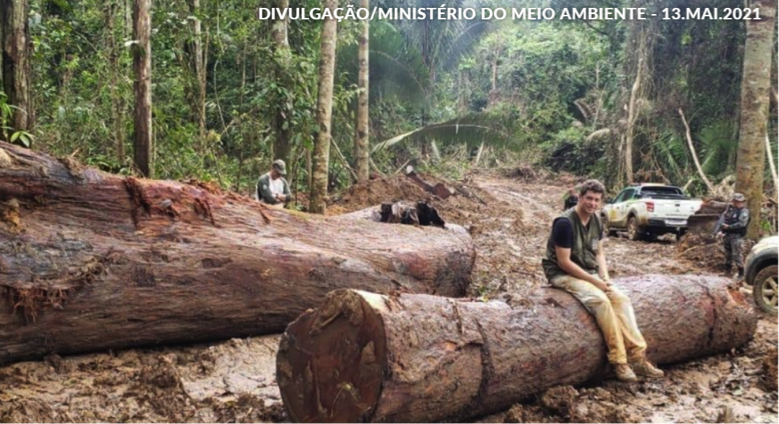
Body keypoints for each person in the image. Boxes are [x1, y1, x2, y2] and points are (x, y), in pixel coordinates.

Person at [542, 179, 664, 382]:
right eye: (588, 198)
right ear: (580, 198)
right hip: (562, 274)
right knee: (601, 301)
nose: (592, 203)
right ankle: (619, 361)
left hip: (589, 271)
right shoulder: (564, 223)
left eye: (596, 200)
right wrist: (595, 282)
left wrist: (604, 277)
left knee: (621, 299)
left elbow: (599, 253)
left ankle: (637, 357)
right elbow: (564, 262)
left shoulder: (596, 220)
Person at [717, 193, 750, 278]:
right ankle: (727, 271)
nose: (737, 203)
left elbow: (742, 224)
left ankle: (741, 273)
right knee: (728, 254)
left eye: (739, 202)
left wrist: (729, 227)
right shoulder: (731, 210)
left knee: (737, 255)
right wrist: (722, 231)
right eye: (735, 201)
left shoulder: (744, 212)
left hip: (736, 236)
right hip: (728, 235)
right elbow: (726, 220)